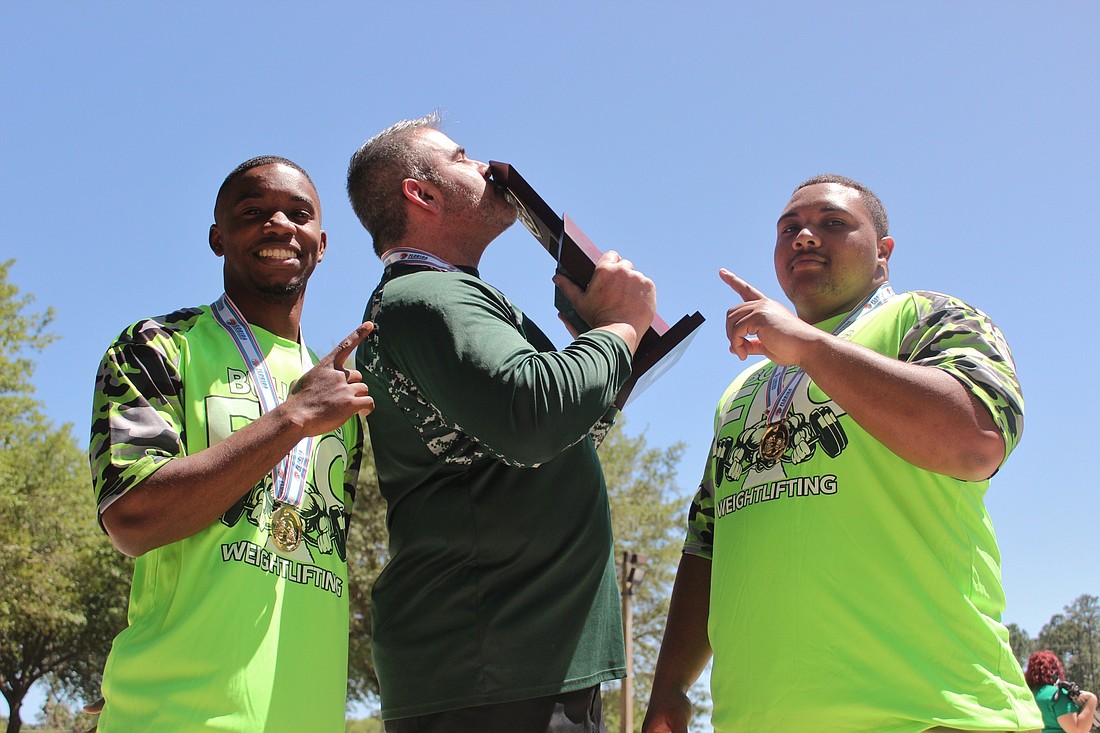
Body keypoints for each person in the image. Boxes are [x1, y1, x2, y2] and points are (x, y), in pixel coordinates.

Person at [642, 174, 1043, 733]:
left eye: (833, 224)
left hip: (933, 715)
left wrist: (808, 347)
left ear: (884, 251)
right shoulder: (740, 394)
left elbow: (974, 441)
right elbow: (707, 544)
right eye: (789, 229)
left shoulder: (926, 319)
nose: (804, 237)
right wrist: (669, 691)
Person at [345, 113, 657, 732]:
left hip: (523, 666)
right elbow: (531, 416)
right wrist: (621, 328)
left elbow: (561, 437)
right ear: (423, 193)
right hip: (492, 672)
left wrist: (597, 347)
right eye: (463, 157)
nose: (490, 168)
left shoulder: (445, 298)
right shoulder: (424, 298)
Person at [89, 156, 375, 732]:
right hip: (172, 716)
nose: (278, 224)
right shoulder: (159, 347)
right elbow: (132, 517)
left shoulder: (342, 395)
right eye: (253, 212)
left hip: (306, 716)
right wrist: (291, 417)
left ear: (322, 242)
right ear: (218, 236)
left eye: (298, 214)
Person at [1025, 650, 1099, 733]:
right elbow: (1077, 730)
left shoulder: (1025, 696)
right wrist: (1091, 700)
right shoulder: (1058, 695)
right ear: (1055, 670)